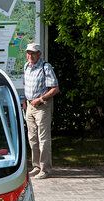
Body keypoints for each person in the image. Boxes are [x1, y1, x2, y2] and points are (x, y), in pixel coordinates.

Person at [23, 43, 60, 179]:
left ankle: (45, 169)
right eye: (28, 53)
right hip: (29, 106)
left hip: (42, 106)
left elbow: (55, 89)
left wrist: (40, 99)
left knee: (43, 139)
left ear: (39, 54)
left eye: (33, 53)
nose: (30, 56)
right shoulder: (27, 66)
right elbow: (27, 86)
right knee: (32, 138)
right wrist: (25, 102)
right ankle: (36, 166)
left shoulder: (46, 67)